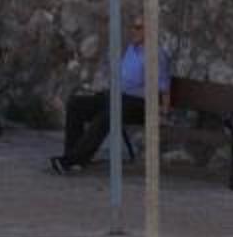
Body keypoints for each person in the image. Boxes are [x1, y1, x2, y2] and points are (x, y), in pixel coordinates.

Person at [48, 15, 171, 174]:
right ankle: (73, 157)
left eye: (138, 28)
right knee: (77, 104)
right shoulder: (131, 50)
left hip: (141, 104)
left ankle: (72, 160)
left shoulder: (156, 55)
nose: (133, 31)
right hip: (120, 97)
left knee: (111, 112)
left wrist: (164, 110)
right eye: (133, 27)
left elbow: (162, 88)